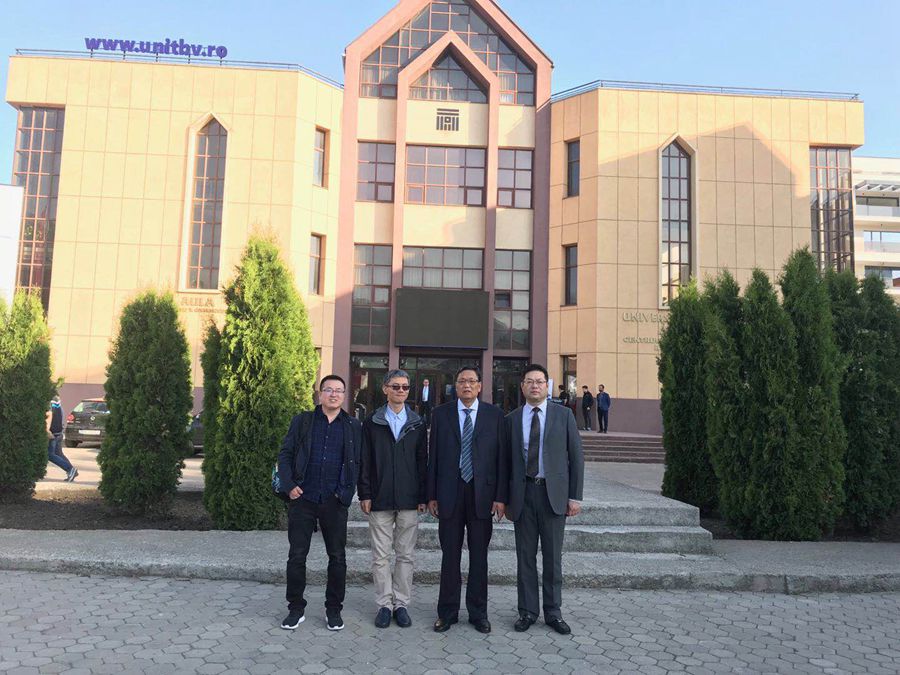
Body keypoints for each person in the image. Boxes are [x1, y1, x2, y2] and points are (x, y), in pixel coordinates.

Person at [504, 364, 584, 635]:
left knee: (552, 558)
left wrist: (575, 497)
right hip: (523, 495)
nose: (535, 386)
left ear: (547, 386)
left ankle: (553, 612)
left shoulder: (564, 416)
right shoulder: (512, 419)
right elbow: (505, 462)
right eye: (530, 381)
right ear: (522, 387)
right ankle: (527, 611)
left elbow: (576, 457)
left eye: (539, 381)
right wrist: (503, 499)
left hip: (554, 496)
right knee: (525, 557)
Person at [277, 375, 361, 632]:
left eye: (339, 390)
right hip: (303, 498)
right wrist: (289, 485)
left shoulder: (353, 426)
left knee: (337, 557)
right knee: (296, 556)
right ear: (320, 393)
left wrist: (346, 492)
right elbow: (285, 454)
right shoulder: (303, 421)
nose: (334, 394)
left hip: (334, 501)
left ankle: (333, 610)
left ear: (345, 395)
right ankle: (295, 608)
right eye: (329, 390)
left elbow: (358, 461)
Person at [427, 365, 506, 634]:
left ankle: (478, 613)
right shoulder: (441, 414)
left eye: (472, 381)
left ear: (480, 386)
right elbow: (433, 456)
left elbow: (501, 459)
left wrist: (500, 497)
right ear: (456, 386)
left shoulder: (495, 416)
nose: (467, 385)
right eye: (462, 381)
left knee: (479, 557)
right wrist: (432, 494)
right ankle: (447, 613)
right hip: (449, 493)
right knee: (450, 556)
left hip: (482, 495)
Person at [358, 369, 427, 629]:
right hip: (380, 496)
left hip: (409, 499)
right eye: (395, 386)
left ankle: (401, 604)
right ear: (385, 389)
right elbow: (364, 460)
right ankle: (384, 605)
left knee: (406, 555)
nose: (401, 391)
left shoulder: (417, 423)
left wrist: (423, 495)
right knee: (381, 556)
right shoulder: (372, 422)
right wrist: (365, 493)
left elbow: (422, 462)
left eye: (405, 387)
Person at [46, 396, 78, 482]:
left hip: (52, 434)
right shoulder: (58, 403)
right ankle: (72, 471)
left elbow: (49, 416)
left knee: (50, 455)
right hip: (59, 433)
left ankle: (70, 469)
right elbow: (61, 416)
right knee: (59, 454)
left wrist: (47, 430)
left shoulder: (48, 403)